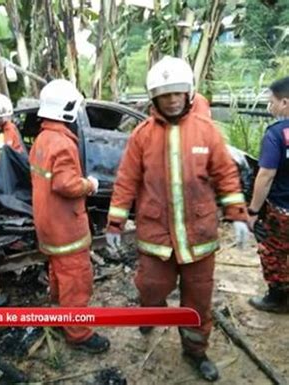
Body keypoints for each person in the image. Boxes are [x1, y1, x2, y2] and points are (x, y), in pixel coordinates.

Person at [105, 56, 249, 382]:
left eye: (177, 94)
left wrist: (237, 214)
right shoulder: (142, 136)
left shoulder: (206, 132)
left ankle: (195, 351)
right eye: (164, 95)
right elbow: (126, 179)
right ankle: (149, 312)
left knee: (198, 299)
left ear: (188, 93)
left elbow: (225, 175)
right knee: (151, 287)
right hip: (156, 235)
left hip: (199, 237)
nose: (171, 101)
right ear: (154, 98)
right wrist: (115, 222)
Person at [29, 79, 110, 354]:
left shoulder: (41, 139)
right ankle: (79, 334)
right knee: (75, 279)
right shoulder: (62, 144)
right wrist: (90, 184)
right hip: (66, 228)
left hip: (48, 225)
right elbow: (66, 184)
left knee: (58, 273)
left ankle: (59, 314)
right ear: (67, 109)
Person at [247, 76, 289, 314]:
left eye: (271, 101)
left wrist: (253, 211)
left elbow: (266, 176)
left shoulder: (276, 134)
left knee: (272, 249)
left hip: (283, 209)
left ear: (284, 103)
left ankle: (277, 297)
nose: (269, 107)